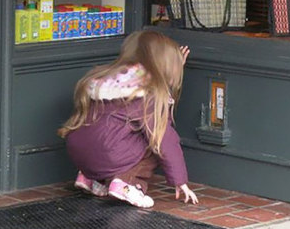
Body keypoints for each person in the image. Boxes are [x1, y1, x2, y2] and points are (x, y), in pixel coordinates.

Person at [58, 30, 199, 208]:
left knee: (113, 134)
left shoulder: (108, 79)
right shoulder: (148, 94)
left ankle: (90, 178)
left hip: (80, 154)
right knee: (153, 141)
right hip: (108, 154)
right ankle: (127, 184)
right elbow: (165, 140)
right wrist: (180, 181)